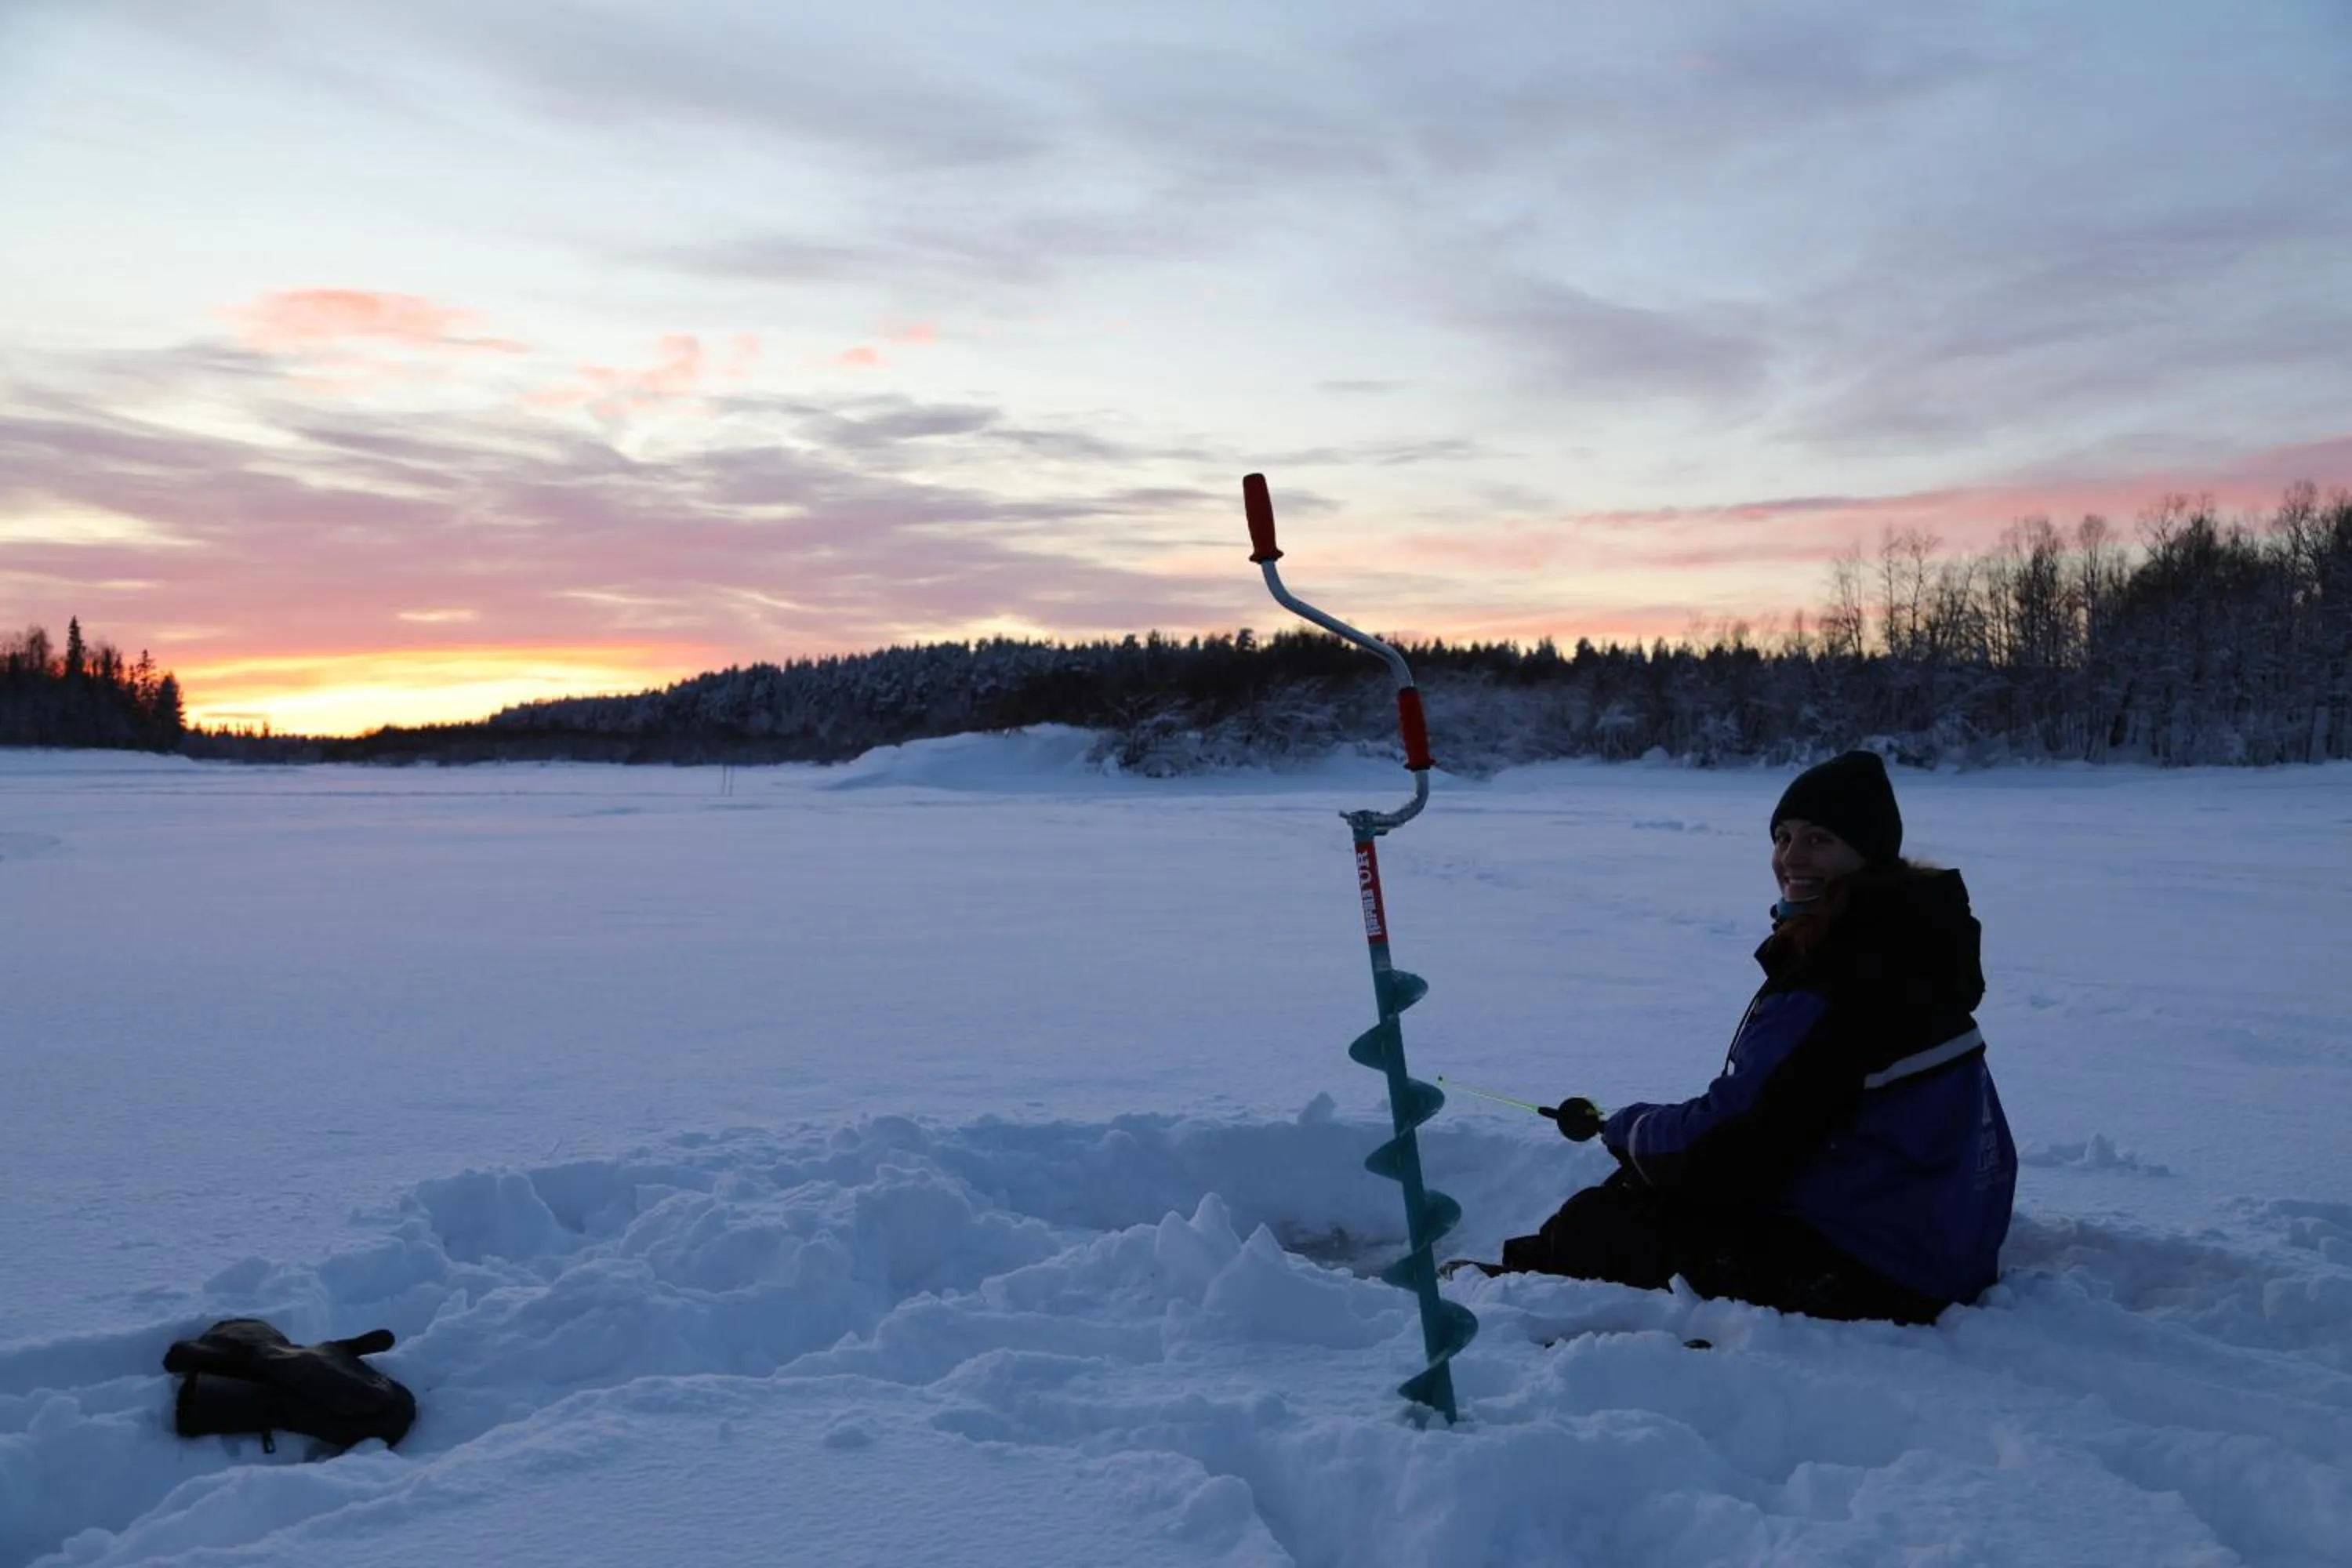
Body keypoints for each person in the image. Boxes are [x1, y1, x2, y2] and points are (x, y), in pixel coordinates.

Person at [1473, 750, 2016, 1325]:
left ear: (1867, 855)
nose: (1791, 857)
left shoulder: (1843, 979)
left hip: (1884, 1269)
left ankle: (1509, 1301)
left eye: (1819, 839)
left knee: (1601, 1223)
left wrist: (1632, 1128)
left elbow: (1727, 1149)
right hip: (1942, 1240)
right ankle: (1528, 1276)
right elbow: (1782, 1116)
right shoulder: (1910, 946)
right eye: (1783, 837)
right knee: (1642, 1186)